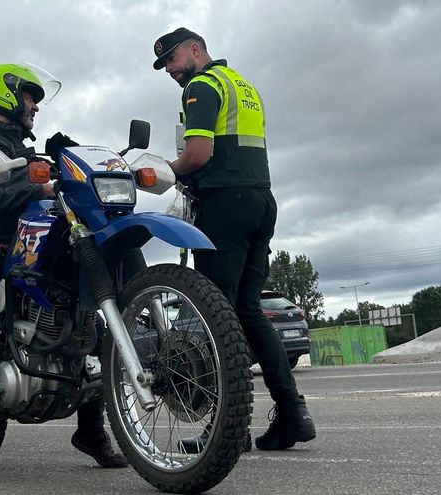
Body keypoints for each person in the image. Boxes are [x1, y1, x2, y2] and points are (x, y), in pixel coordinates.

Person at [0, 63, 128, 486]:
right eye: (29, 96)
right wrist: (36, 187)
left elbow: (46, 182)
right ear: (6, 94)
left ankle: (90, 430)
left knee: (89, 322)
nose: (35, 106)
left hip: (34, 238)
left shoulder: (23, 145)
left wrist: (66, 158)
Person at [153, 28, 316, 451]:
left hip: (225, 204)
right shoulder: (241, 84)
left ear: (195, 49)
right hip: (261, 200)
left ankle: (229, 429)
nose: (170, 70)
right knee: (247, 311)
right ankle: (293, 414)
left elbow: (198, 155)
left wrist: (160, 172)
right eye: (165, 65)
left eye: (171, 59)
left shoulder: (202, 86)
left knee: (216, 317)